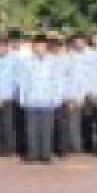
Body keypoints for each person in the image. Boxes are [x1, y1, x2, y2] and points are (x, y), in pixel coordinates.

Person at [19, 35, 61, 164]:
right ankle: (32, 154)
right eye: (37, 46)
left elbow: (57, 81)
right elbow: (23, 81)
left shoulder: (53, 61)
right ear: (33, 47)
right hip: (31, 99)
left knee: (46, 129)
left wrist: (56, 97)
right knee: (31, 129)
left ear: (46, 47)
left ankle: (46, 154)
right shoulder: (27, 62)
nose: (39, 48)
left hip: (47, 100)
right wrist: (22, 98)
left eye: (42, 46)